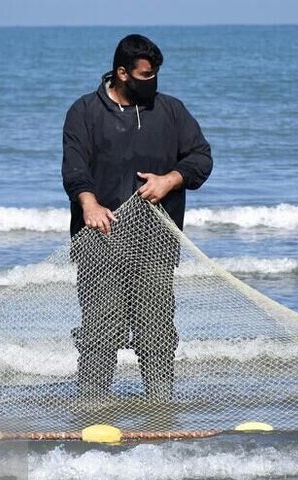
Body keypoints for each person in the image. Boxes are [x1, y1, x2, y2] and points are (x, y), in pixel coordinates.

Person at [62, 34, 213, 401]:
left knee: (156, 330)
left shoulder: (171, 111)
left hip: (157, 242)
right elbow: (74, 169)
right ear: (122, 73)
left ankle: (160, 407)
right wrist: (90, 204)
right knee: (101, 329)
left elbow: (200, 158)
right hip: (100, 240)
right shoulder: (84, 112)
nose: (153, 81)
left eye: (156, 73)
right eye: (146, 74)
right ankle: (91, 406)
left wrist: (170, 180)